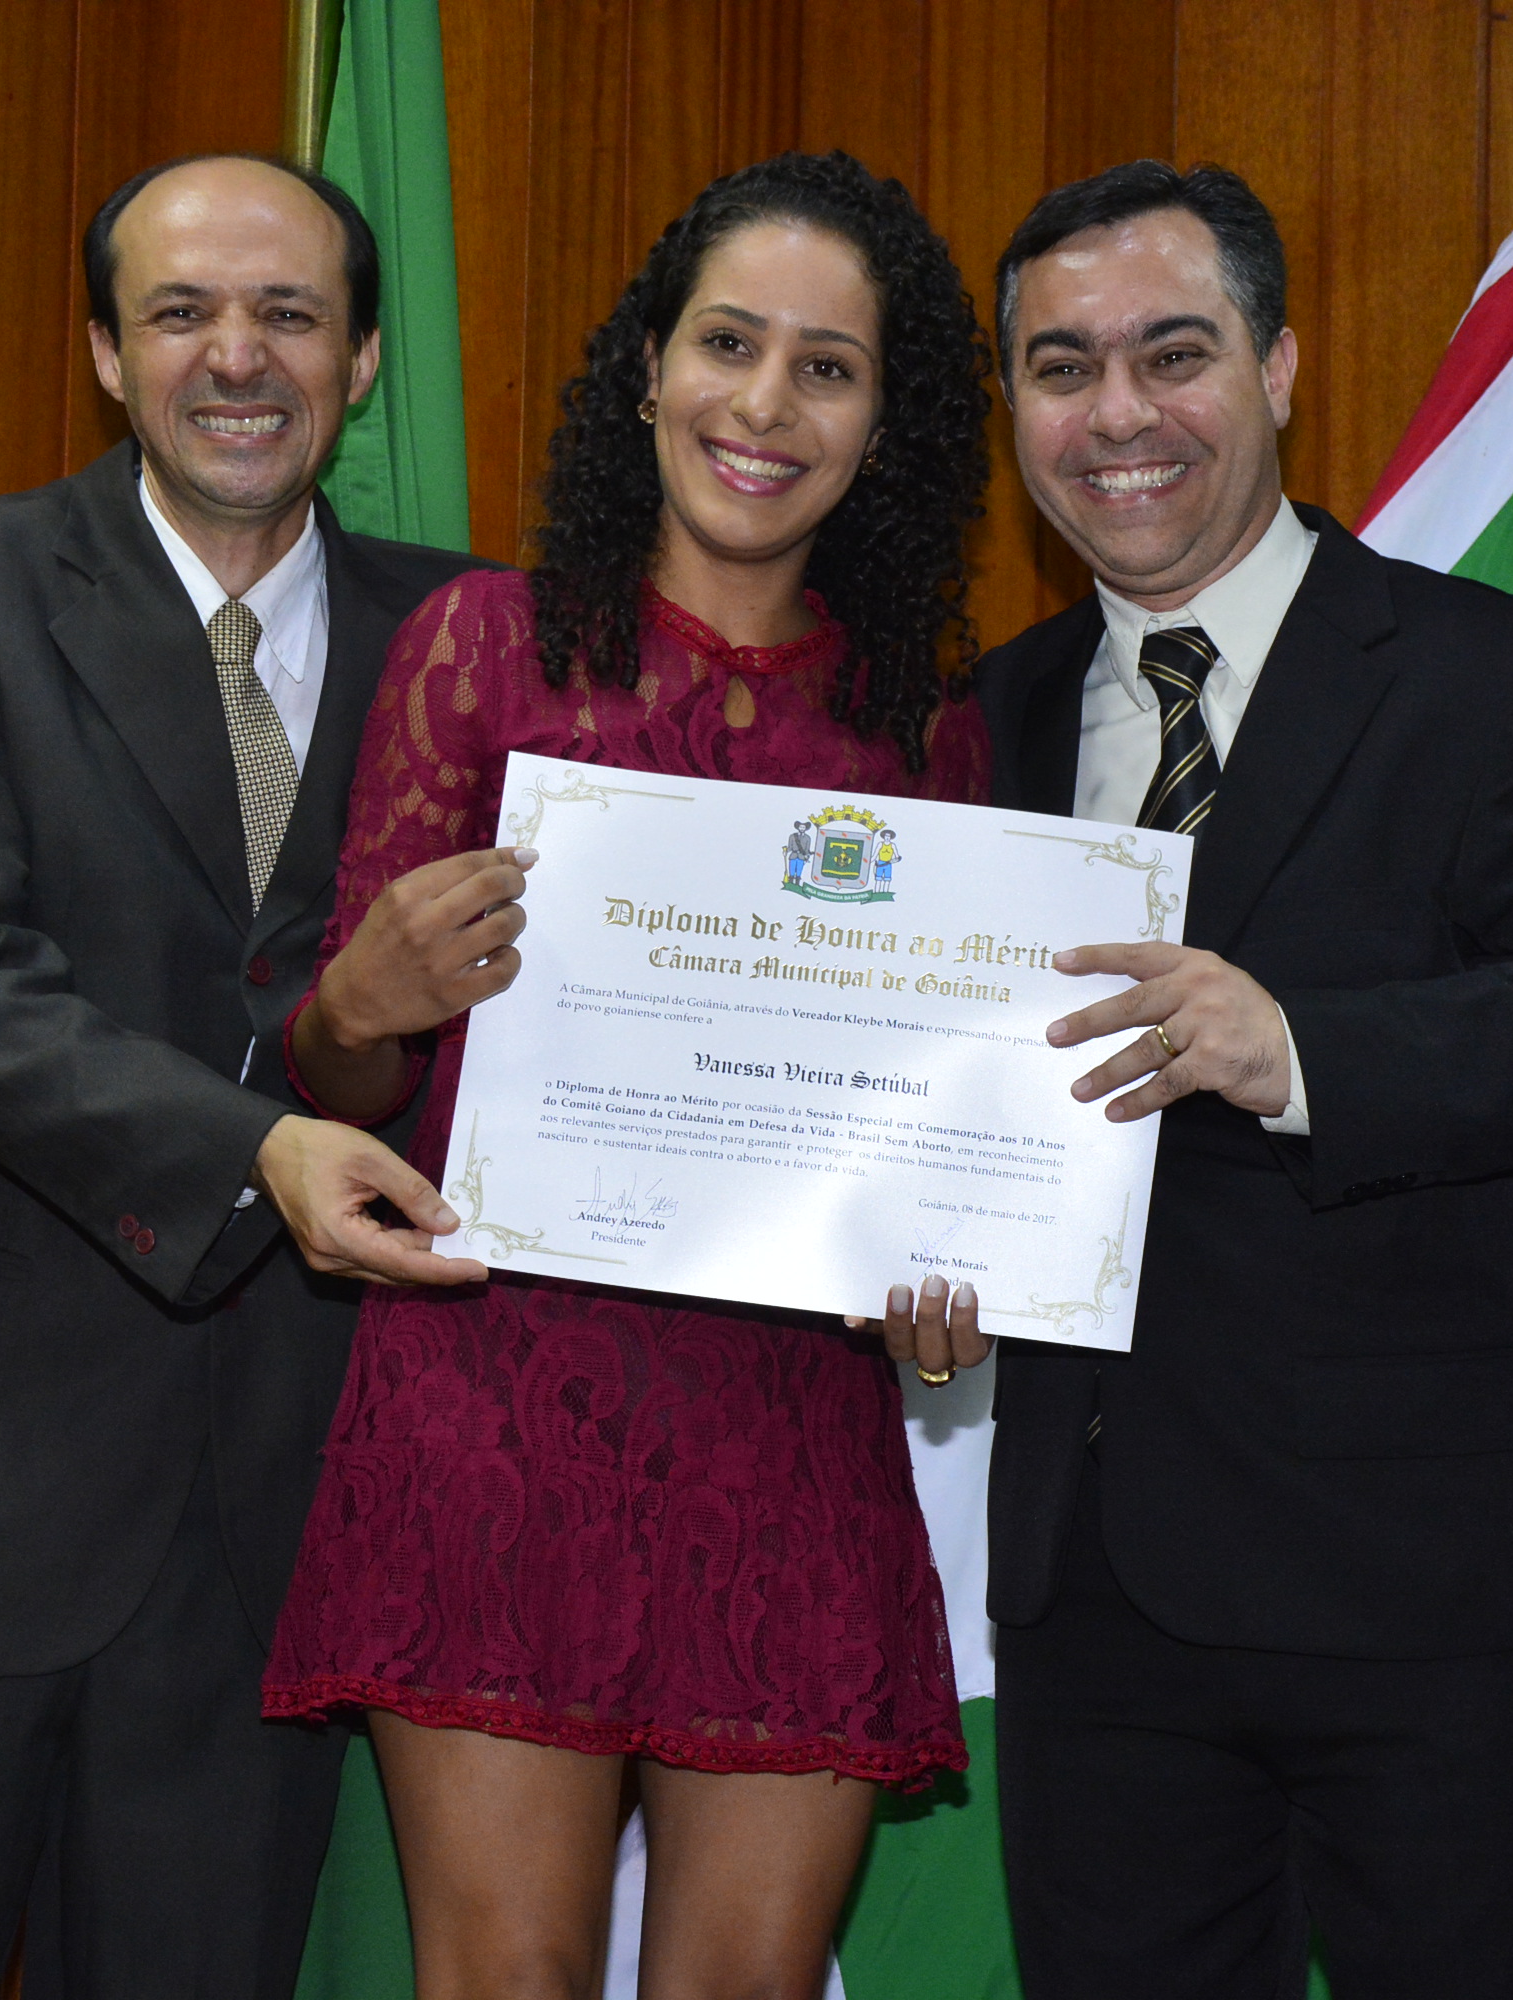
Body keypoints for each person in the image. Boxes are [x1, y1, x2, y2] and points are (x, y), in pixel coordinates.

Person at [0, 155, 492, 1995]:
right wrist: (264, 1148)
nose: (240, 356)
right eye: (182, 313)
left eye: (290, 314)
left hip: (274, 1537)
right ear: (106, 354)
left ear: (364, 360)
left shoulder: (475, 639)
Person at [258, 151, 995, 2000]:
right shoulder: (481, 648)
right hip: (497, 1404)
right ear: (649, 368)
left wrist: (956, 1283)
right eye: (728, 343)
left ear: (885, 425)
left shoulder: (929, 732)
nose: (767, 403)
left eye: (829, 368)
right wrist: (361, 1000)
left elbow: (942, 1140)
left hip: (796, 1430)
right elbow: (345, 1084)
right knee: (505, 1976)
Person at [972, 161, 1513, 1998]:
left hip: (1436, 1592)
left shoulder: (1494, 675)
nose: (1118, 414)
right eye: (1062, 367)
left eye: (1173, 353)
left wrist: (1295, 1049)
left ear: (1279, 367)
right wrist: (915, 1265)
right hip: (1097, 1598)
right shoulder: (978, 723)